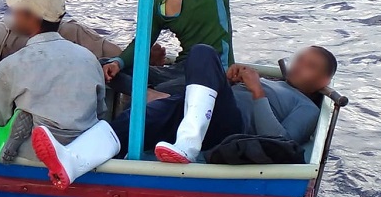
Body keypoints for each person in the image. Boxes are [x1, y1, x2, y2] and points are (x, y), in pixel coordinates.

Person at [0, 0, 119, 187]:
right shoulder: (89, 58)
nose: (13, 14)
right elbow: (100, 111)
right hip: (83, 147)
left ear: (31, 18)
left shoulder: (10, 66)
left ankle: (27, 135)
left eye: (18, 11)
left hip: (35, 155)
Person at [110, 43, 336, 163]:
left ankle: (186, 138)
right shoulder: (277, 83)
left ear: (323, 80)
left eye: (310, 66)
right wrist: (226, 81)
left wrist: (257, 90)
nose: (298, 66)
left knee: (204, 52)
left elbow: (279, 141)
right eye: (299, 60)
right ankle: (97, 158)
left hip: (229, 126)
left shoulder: (307, 108)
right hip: (198, 110)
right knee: (141, 116)